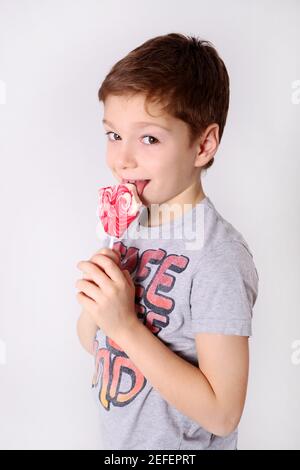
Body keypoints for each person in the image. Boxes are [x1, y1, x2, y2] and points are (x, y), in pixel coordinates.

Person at [75, 32, 259, 450]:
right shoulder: (129, 230)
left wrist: (124, 323)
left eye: (149, 138)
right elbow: (94, 343)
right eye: (114, 135)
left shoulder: (218, 257)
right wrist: (102, 293)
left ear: (203, 145)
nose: (122, 159)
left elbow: (223, 412)